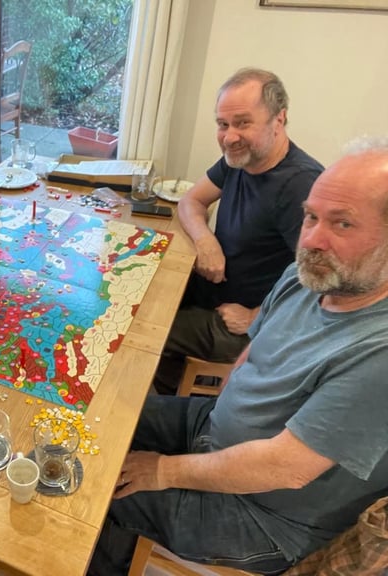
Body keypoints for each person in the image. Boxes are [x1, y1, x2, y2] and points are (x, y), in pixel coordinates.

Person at [89, 137, 388, 575]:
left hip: (267, 515)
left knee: (96, 495)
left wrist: (163, 471)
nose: (313, 239)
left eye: (342, 224)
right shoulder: (308, 276)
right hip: (216, 428)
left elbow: (287, 469)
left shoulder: (379, 354)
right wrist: (228, 403)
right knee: (100, 415)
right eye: (311, 216)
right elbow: (253, 346)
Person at [154, 68, 324, 394]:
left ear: (279, 119)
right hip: (213, 291)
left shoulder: (300, 186)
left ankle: (184, 404)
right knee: (144, 295)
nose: (230, 137)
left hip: (243, 325)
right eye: (223, 124)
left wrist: (256, 316)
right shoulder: (240, 158)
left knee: (147, 330)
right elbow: (191, 201)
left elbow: (323, 284)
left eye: (243, 123)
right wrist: (206, 240)